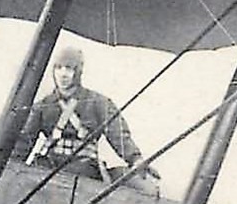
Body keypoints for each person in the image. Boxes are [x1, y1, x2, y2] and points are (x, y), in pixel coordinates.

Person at [18, 45, 149, 183]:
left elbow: (119, 135)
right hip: (49, 166)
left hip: (84, 169)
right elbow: (23, 142)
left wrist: (135, 158)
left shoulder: (98, 102)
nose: (63, 74)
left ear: (78, 71)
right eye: (58, 67)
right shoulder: (43, 106)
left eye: (69, 68)